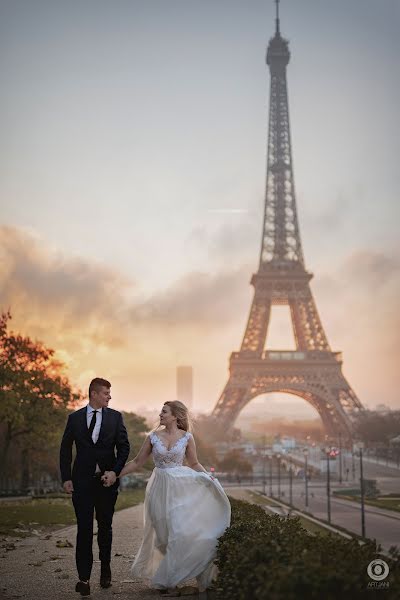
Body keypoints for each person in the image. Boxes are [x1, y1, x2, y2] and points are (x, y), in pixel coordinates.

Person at [102, 400, 231, 596]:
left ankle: (171, 580)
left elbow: (194, 463)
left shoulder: (187, 437)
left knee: (178, 532)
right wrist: (114, 474)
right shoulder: (153, 437)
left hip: (180, 487)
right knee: (163, 537)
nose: (160, 415)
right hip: (159, 488)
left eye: (164, 412)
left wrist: (208, 477)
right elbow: (137, 462)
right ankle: (171, 575)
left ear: (175, 416)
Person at [59, 377, 130, 596]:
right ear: (94, 394)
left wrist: (114, 472)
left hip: (106, 482)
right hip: (81, 482)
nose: (110, 396)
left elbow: (124, 448)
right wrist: (66, 477)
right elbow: (65, 449)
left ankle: (105, 569)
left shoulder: (116, 418)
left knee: (105, 528)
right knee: (84, 529)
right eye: (107, 393)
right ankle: (84, 578)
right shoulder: (75, 418)